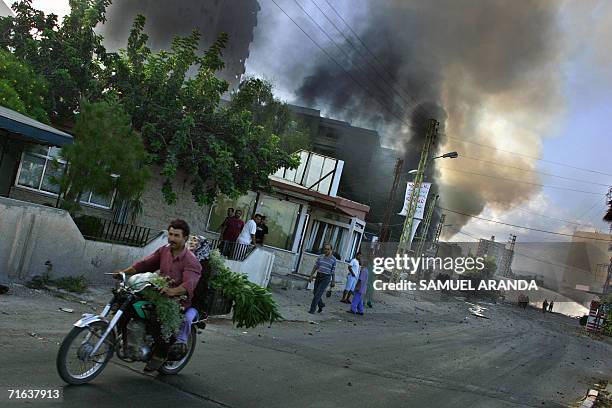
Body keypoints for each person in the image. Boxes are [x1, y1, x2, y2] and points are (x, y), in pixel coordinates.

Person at [115, 219, 201, 370]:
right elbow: (145, 264)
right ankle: (127, 339)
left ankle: (160, 353)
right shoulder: (164, 250)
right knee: (126, 303)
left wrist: (172, 291)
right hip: (157, 293)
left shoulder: (191, 261)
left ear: (185, 238)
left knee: (156, 317)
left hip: (177, 301)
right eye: (171, 234)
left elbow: (189, 285)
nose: (172, 238)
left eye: (177, 236)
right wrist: (124, 272)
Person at [308, 243, 336, 314]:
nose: (326, 250)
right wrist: (311, 275)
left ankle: (312, 310)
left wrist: (333, 281)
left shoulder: (333, 259)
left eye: (328, 249)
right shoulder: (320, 257)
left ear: (331, 250)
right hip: (318, 275)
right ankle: (321, 305)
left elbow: (333, 271)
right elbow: (316, 266)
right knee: (315, 292)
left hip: (326, 277)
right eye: (325, 249)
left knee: (318, 294)